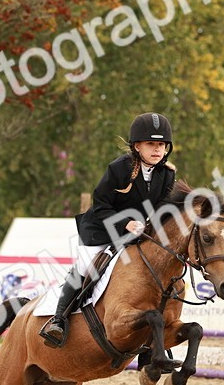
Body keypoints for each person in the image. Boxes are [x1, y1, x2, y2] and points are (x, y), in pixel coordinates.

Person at [41, 112, 177, 347]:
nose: (157, 150)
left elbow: (164, 208)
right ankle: (59, 320)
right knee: (86, 266)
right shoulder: (119, 169)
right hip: (101, 228)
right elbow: (101, 205)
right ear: (137, 146)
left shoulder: (168, 174)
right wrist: (125, 222)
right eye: (151, 144)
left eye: (161, 145)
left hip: (138, 233)